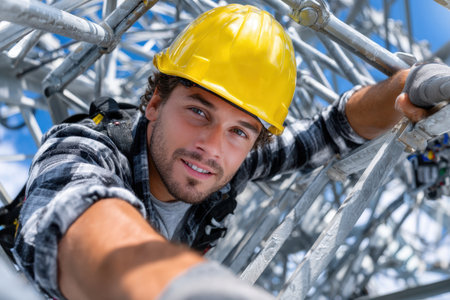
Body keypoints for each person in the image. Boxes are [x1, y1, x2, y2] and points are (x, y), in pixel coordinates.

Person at [13, 4, 433, 300]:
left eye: (240, 131)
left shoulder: (234, 165)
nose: (211, 147)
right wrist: (188, 289)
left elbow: (331, 130)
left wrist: (406, 87)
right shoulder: (85, 148)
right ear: (154, 102)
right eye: (198, 111)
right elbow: (79, 224)